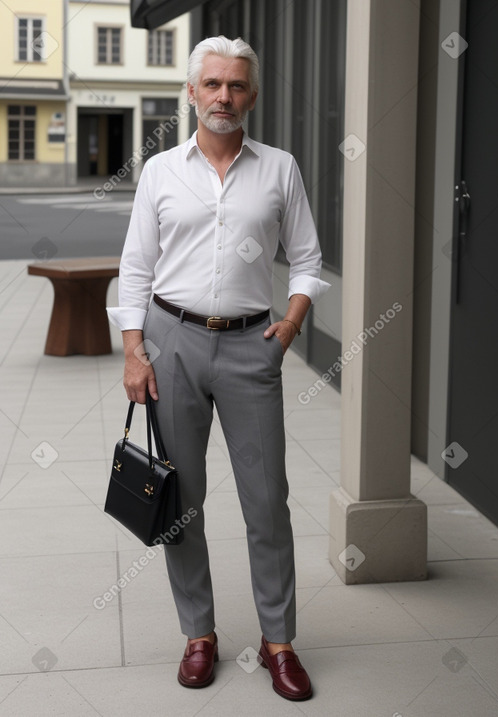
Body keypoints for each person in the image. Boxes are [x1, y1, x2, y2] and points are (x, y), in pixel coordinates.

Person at [107, 35, 329, 702]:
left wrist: (287, 327)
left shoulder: (280, 168)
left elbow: (310, 262)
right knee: (182, 503)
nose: (224, 97)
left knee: (268, 502)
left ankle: (278, 640)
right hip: (172, 343)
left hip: (250, 347)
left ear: (252, 96)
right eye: (213, 85)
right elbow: (136, 269)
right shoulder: (159, 172)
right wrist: (134, 349)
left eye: (236, 86)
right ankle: (198, 633)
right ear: (192, 93)